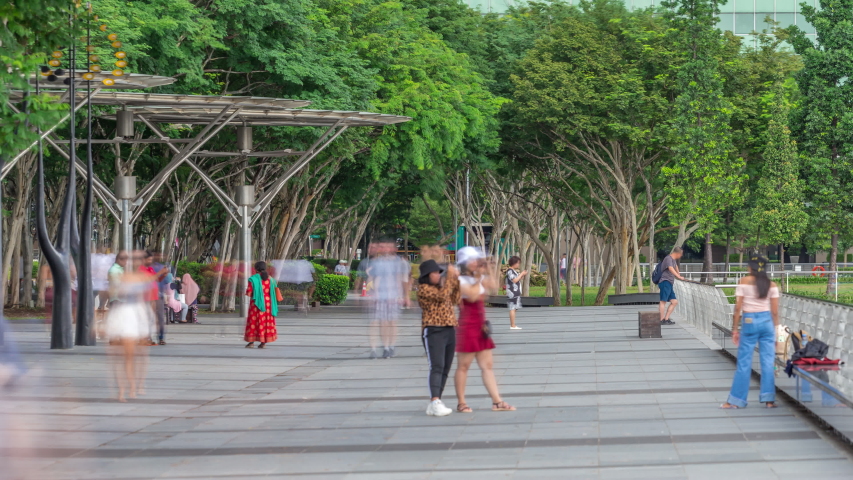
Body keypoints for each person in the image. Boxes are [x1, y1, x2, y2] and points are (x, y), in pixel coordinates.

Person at [454, 246, 515, 413]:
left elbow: (493, 286)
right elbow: (473, 295)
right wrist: (480, 276)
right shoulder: (459, 280)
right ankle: (461, 402)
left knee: (487, 365)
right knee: (463, 366)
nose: (476, 263)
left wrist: (490, 269)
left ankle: (497, 401)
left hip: (481, 326)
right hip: (467, 326)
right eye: (473, 260)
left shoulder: (477, 278)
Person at [721, 255, 779, 409]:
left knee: (744, 363)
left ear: (751, 268)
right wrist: (776, 333)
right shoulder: (772, 285)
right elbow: (774, 312)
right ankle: (769, 400)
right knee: (767, 362)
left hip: (749, 322)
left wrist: (735, 329)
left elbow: (738, 309)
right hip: (767, 323)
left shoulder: (743, 282)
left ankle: (735, 401)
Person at [106, 252, 153, 402]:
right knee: (121, 356)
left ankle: (135, 386)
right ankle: (123, 389)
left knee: (138, 355)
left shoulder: (142, 277)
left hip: (135, 314)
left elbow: (143, 298)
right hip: (123, 313)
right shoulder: (120, 275)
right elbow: (114, 292)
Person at [417, 258, 460, 417]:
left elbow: (455, 298)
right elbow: (442, 296)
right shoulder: (423, 289)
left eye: (439, 272)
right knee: (437, 366)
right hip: (433, 330)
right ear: (427, 275)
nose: (438, 275)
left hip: (449, 328)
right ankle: (435, 400)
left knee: (445, 368)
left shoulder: (443, 287)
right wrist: (449, 277)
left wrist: (456, 280)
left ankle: (436, 401)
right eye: (435, 273)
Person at [367, 242, 407, 358]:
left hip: (393, 297)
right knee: (382, 322)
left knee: (392, 323)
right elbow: (373, 278)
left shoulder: (399, 262)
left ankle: (390, 346)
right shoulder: (377, 262)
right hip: (381, 297)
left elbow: (400, 279)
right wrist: (372, 292)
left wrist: (400, 295)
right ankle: (384, 347)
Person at [245, 261, 279, 348]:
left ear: (256, 269)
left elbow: (249, 292)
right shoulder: (271, 279)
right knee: (266, 322)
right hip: (268, 304)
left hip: (256, 304)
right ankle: (263, 343)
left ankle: (251, 342)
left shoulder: (253, 279)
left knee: (254, 321)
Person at [658, 247, 685, 325]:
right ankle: (661, 319)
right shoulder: (668, 258)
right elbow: (670, 268)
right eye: (681, 254)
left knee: (674, 302)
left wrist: (679, 275)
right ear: (678, 253)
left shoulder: (673, 260)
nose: (681, 256)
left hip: (669, 283)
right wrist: (678, 276)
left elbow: (675, 267)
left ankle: (666, 319)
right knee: (663, 301)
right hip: (665, 282)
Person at [505, 256, 527, 330]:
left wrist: (521, 275)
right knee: (512, 308)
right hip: (512, 291)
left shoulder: (513, 271)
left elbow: (517, 279)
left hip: (515, 291)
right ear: (514, 263)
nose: (518, 265)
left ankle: (513, 324)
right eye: (518, 263)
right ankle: (512, 325)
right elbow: (514, 280)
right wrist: (521, 274)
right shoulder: (510, 271)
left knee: (514, 308)